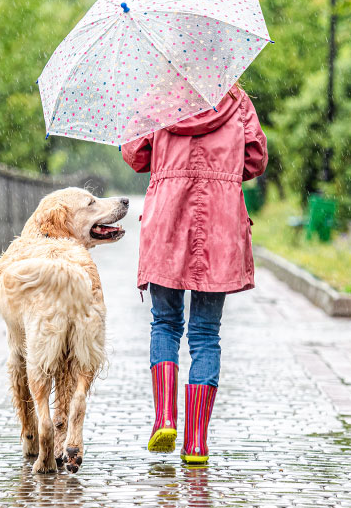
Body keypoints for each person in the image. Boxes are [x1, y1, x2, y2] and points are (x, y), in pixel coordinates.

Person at [121, 84, 268, 464]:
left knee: (165, 323)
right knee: (205, 334)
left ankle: (165, 417)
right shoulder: (236, 101)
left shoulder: (156, 97)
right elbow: (255, 161)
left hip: (167, 219)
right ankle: (197, 443)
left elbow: (136, 155)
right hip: (219, 223)